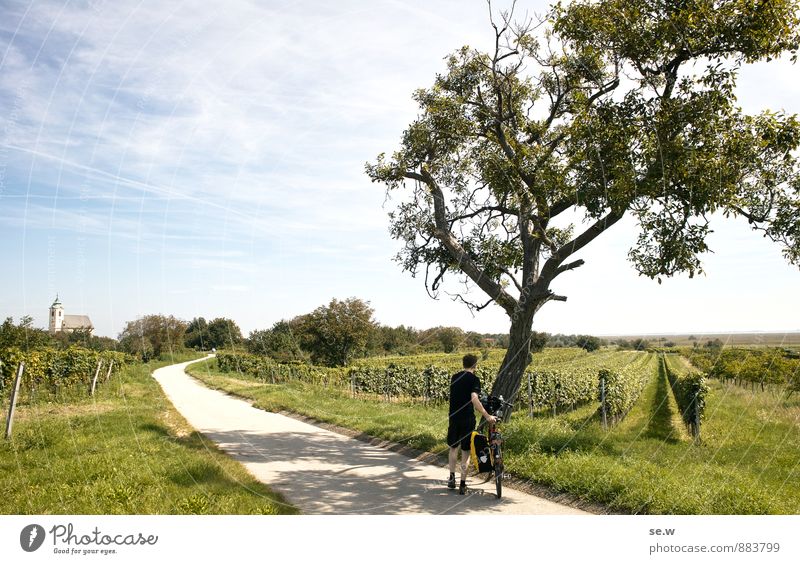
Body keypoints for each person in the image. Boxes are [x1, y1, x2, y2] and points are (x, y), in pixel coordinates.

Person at [446, 353, 496, 494]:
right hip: (467, 418)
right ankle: (462, 484)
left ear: (463, 364)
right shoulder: (474, 379)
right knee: (466, 451)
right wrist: (486, 415)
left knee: (453, 448)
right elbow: (474, 398)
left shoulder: (454, 377)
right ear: (475, 365)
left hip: (454, 417)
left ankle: (451, 478)